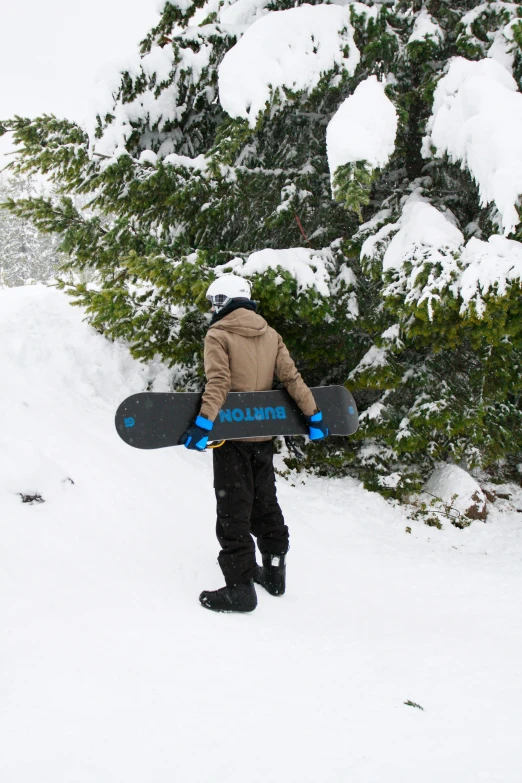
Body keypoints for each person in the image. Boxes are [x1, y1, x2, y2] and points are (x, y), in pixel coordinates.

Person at [179, 274, 328, 613]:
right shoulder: (270, 334)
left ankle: (240, 588)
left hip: (232, 437)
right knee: (265, 502)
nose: (213, 308)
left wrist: (203, 424)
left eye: (216, 301)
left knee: (233, 510)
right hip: (263, 436)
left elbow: (219, 382)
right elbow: (291, 378)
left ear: (228, 300)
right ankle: (275, 573)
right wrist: (314, 415)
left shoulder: (218, 334)